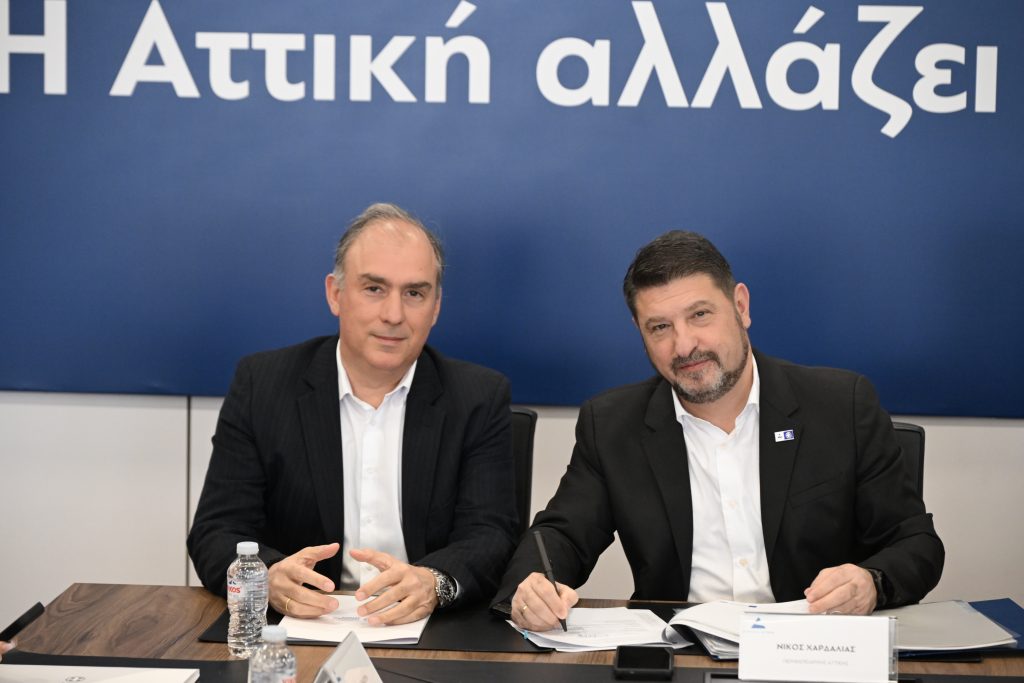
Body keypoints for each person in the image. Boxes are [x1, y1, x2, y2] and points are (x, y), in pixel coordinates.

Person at [496, 230, 944, 631]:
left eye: (700, 315)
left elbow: (916, 543)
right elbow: (561, 536)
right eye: (660, 327)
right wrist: (532, 588)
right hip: (678, 651)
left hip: (813, 648)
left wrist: (871, 583)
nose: (684, 345)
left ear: (740, 307)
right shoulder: (613, 424)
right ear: (640, 332)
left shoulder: (840, 405)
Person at [188, 203, 518, 625]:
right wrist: (268, 577)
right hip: (301, 627)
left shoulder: (478, 397)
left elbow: (491, 536)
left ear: (435, 306)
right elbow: (217, 531)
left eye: (414, 293)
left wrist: (433, 582)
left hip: (429, 626)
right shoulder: (262, 385)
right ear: (335, 294)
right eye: (374, 289)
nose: (394, 315)